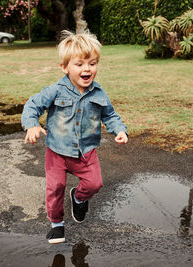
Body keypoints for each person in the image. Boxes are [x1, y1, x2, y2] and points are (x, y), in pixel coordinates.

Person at [21, 30, 128, 244]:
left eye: (92, 63)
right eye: (79, 64)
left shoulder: (99, 94)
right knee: (55, 188)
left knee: (95, 184)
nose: (87, 69)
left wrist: (119, 130)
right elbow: (32, 105)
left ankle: (78, 198)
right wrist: (31, 124)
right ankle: (57, 224)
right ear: (65, 67)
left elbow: (110, 115)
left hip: (86, 153)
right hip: (57, 152)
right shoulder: (55, 91)